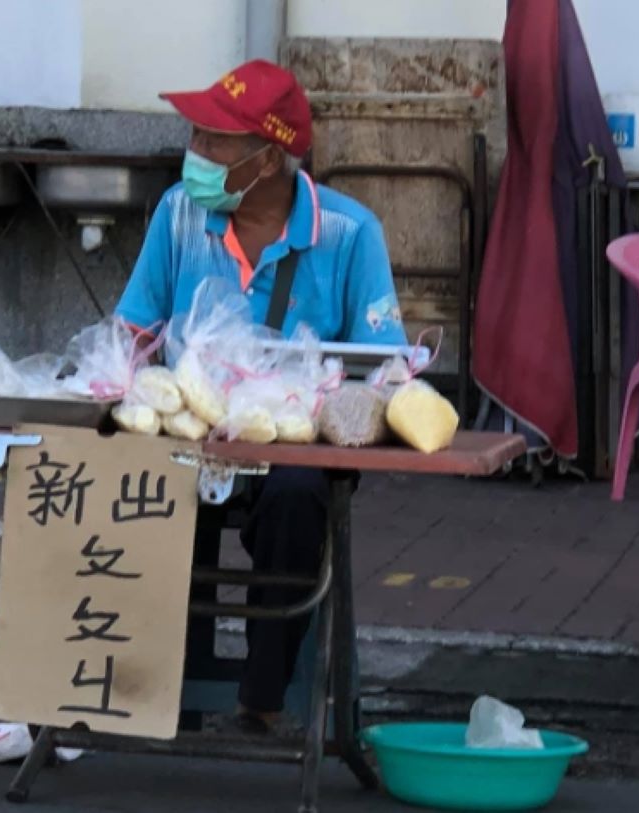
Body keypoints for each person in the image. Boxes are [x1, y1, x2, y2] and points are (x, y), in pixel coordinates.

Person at [115, 59, 407, 732]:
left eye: (214, 143)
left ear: (268, 159)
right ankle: (158, 688)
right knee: (131, 479)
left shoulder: (349, 232)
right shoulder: (178, 214)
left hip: (292, 444)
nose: (196, 156)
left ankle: (264, 692)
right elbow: (134, 328)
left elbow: (385, 367)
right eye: (195, 137)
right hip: (188, 433)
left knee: (300, 498)